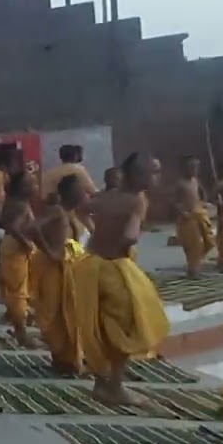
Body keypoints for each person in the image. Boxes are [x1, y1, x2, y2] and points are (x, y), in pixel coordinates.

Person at [73, 152, 169, 408]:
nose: (157, 178)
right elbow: (130, 235)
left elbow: (82, 209)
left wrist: (95, 231)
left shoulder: (105, 196)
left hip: (90, 265)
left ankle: (101, 384)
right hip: (114, 269)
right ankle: (114, 387)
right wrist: (129, 235)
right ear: (136, 175)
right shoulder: (136, 201)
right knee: (127, 326)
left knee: (102, 326)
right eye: (153, 172)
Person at [30, 175, 92, 374]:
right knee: (56, 315)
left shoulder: (70, 214)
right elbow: (32, 227)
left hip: (67, 268)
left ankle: (66, 360)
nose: (85, 193)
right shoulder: (57, 211)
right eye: (81, 190)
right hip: (53, 268)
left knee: (69, 315)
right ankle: (66, 359)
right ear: (71, 193)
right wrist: (50, 252)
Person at [0, 170, 40, 349]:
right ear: (22, 187)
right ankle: (22, 335)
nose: (36, 185)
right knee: (18, 294)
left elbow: (2, 222)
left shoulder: (14, 202)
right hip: (16, 248)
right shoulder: (20, 206)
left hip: (10, 246)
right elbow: (13, 227)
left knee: (17, 290)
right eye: (32, 183)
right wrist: (27, 243)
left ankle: (19, 327)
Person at [173, 155, 215, 278]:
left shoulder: (196, 181)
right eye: (191, 167)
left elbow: (202, 192)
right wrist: (182, 212)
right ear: (183, 169)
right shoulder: (180, 184)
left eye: (197, 167)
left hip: (199, 213)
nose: (195, 169)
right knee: (194, 244)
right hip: (187, 217)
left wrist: (204, 202)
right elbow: (173, 201)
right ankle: (193, 269)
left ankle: (197, 263)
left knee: (209, 241)